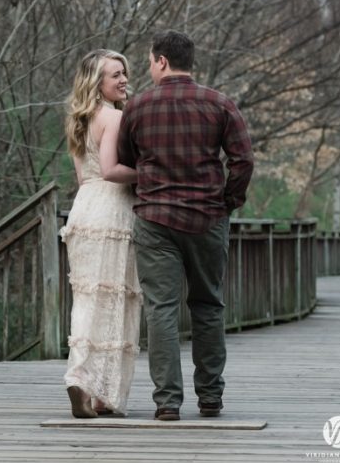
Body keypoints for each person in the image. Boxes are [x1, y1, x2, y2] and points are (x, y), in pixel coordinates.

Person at [118, 30, 254, 421]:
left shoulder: (138, 106)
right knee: (208, 304)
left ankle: (167, 403)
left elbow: (129, 161)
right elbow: (243, 161)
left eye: (149, 60)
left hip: (155, 218)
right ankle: (210, 397)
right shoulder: (220, 104)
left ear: (161, 61)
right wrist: (228, 202)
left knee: (161, 309)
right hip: (207, 217)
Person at [61, 49, 144, 418]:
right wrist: (151, 173)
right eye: (115, 75)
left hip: (84, 207)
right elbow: (111, 171)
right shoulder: (113, 116)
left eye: (124, 72)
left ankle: (83, 379)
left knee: (88, 299)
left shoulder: (78, 119)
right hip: (111, 209)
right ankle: (101, 391)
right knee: (115, 300)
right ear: (98, 83)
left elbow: (85, 176)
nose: (124, 79)